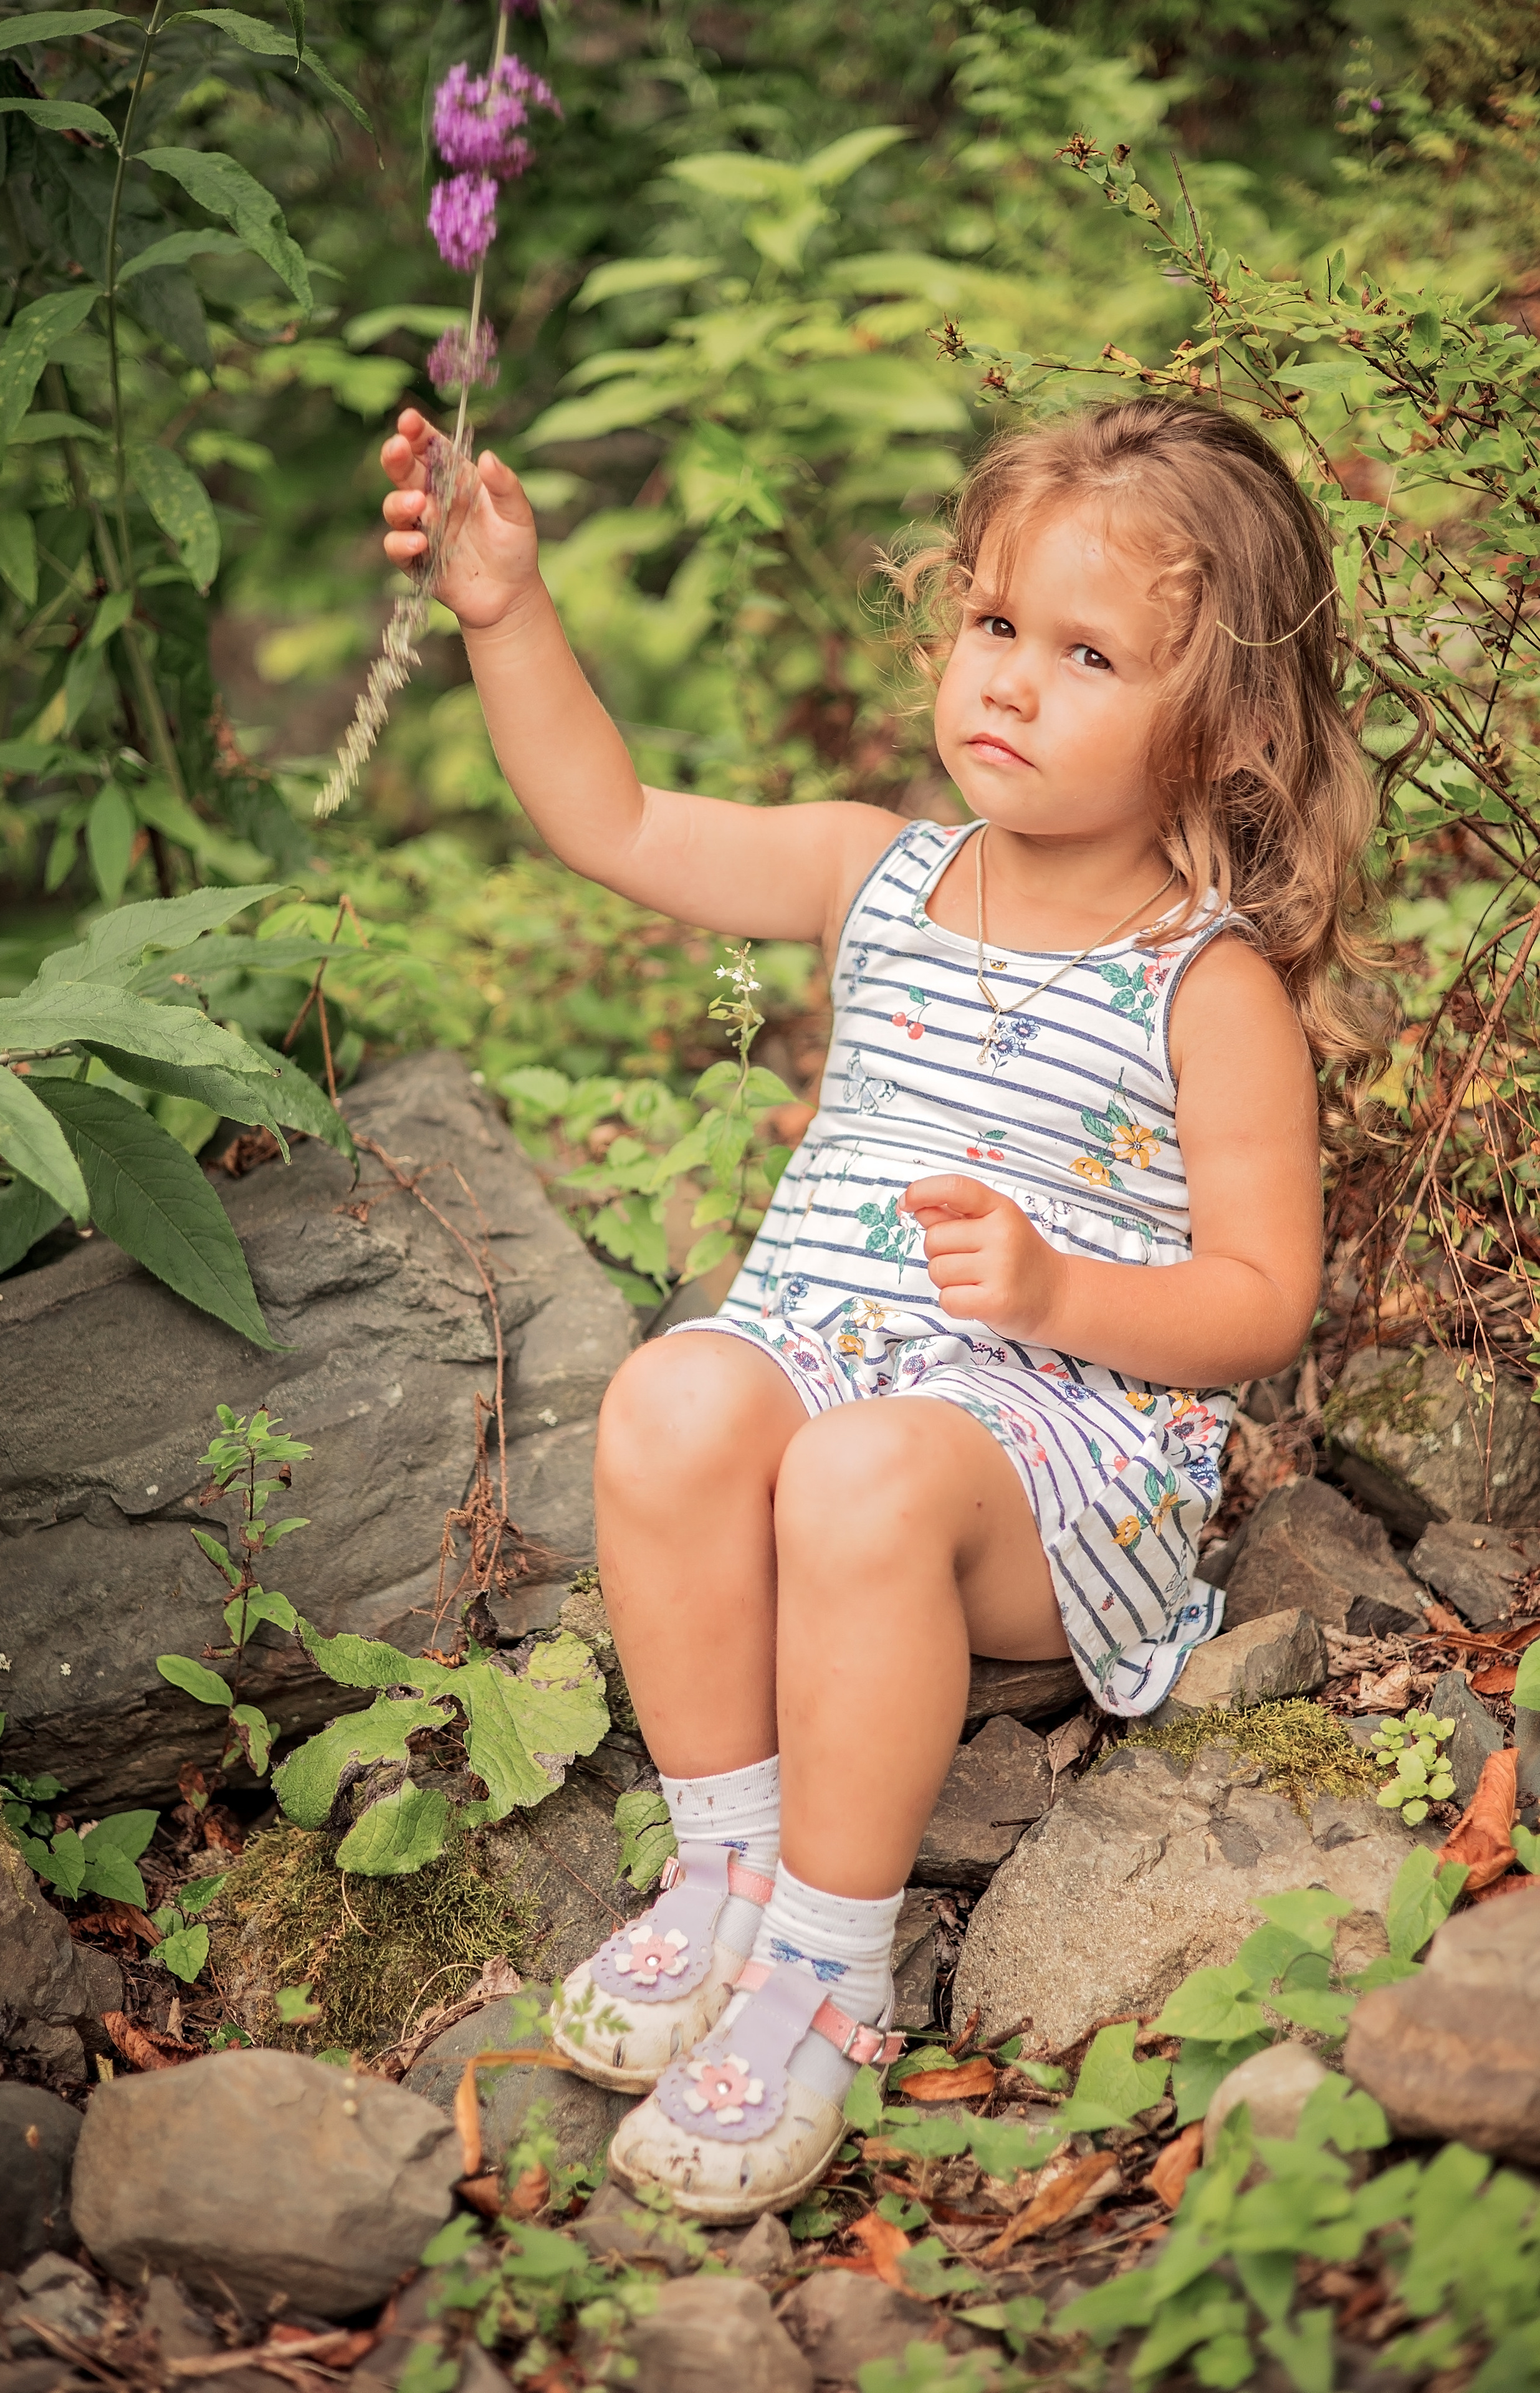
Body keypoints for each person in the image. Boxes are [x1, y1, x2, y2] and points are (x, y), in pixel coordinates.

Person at [379, 394, 1380, 2222]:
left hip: (1051, 1460)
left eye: (1089, 655)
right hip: (836, 1371)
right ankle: (729, 1869)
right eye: (996, 623)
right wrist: (506, 612)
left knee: (859, 1482)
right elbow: (610, 820)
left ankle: (830, 1973)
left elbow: (1261, 1300)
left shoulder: (1200, 983)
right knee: (672, 1401)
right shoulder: (880, 875)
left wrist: (1062, 1285)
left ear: (1220, 724)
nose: (1010, 680)